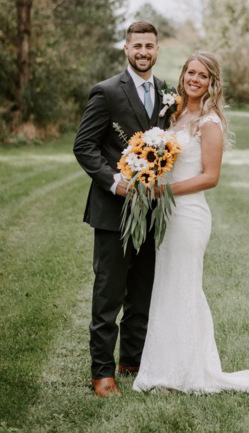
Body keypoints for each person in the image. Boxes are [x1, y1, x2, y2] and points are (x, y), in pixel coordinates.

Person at [133, 52, 249, 393]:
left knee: (183, 287)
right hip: (168, 214)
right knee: (169, 286)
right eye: (190, 72)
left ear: (212, 82)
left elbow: (210, 177)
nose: (194, 79)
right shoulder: (175, 114)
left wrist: (163, 190)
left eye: (203, 75)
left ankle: (186, 373)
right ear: (183, 75)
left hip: (189, 215)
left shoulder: (209, 123)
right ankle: (165, 368)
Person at [73, 22, 174, 397]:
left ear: (158, 49)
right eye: (137, 46)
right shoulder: (106, 92)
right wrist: (115, 182)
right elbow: (84, 147)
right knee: (108, 295)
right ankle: (102, 373)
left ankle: (132, 361)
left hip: (152, 211)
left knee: (142, 291)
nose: (143, 52)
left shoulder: (167, 93)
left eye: (149, 46)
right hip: (113, 211)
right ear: (126, 48)